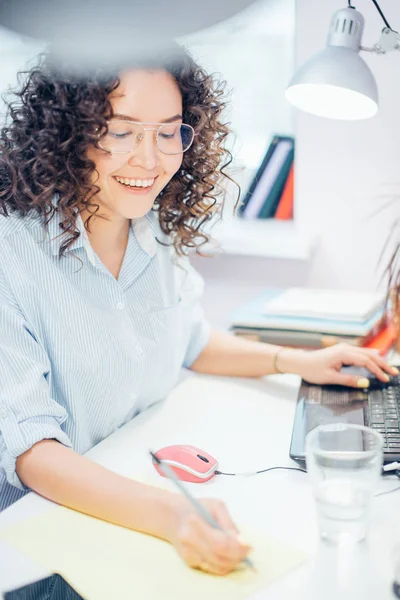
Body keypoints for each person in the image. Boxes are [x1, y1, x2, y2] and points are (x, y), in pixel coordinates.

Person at [0, 42, 395, 576]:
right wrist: (173, 516)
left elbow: (192, 340)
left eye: (168, 132)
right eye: (121, 131)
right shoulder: (12, 250)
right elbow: (33, 454)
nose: (150, 159)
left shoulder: (152, 228)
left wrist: (296, 362)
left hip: (138, 483)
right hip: (47, 533)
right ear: (67, 134)